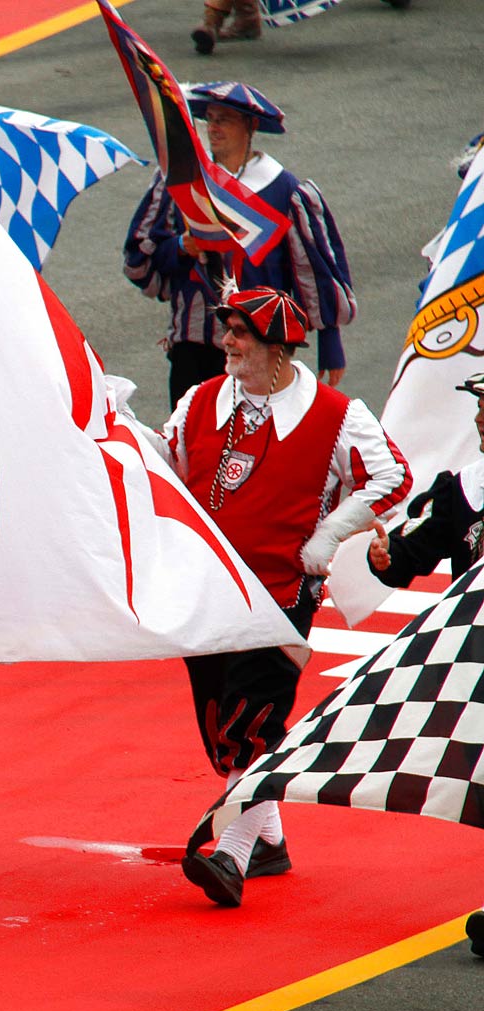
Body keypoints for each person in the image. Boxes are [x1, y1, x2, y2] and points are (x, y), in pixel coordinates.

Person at [151, 287, 408, 908]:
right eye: (228, 330)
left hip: (282, 594)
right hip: (207, 587)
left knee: (256, 721)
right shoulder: (201, 399)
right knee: (222, 728)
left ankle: (232, 856)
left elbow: (393, 476)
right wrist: (117, 433)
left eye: (239, 333)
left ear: (276, 347)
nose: (227, 343)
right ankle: (267, 841)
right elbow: (165, 459)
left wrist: (329, 533)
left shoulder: (337, 414)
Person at [124, 83, 356, 405]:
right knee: (194, 442)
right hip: (193, 348)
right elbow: (141, 256)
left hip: (261, 347)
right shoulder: (182, 180)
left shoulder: (283, 191)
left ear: (251, 126)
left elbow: (315, 271)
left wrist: (331, 341)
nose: (214, 128)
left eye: (225, 120)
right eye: (210, 119)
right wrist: (180, 246)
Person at [365, 371, 484, 957]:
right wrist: (384, 558)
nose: (481, 419)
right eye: (480, 407)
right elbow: (410, 557)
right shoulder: (462, 491)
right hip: (477, 662)